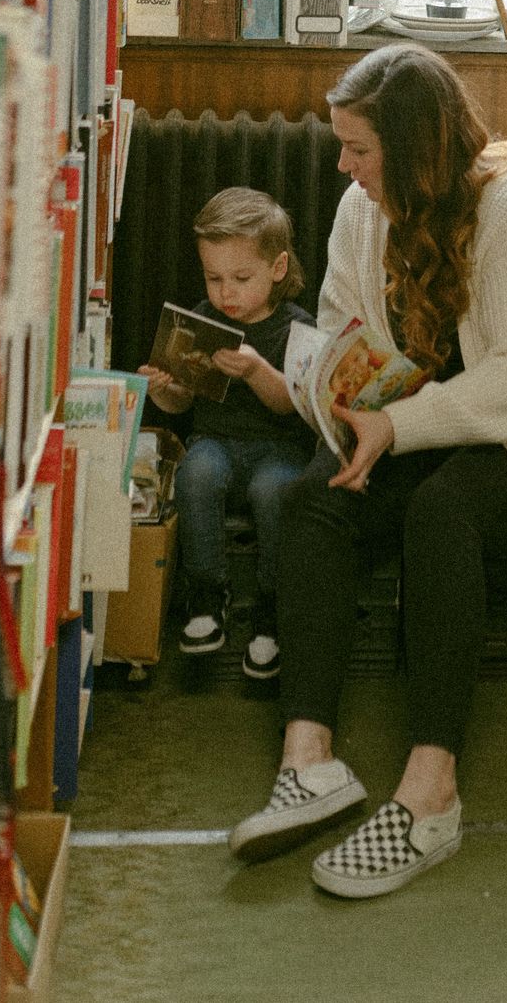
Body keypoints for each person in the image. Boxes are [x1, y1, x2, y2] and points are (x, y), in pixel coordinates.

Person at [229, 42, 507, 898]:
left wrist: (394, 423)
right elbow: (342, 321)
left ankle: (431, 791)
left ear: (416, 148)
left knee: (441, 514)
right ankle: (310, 762)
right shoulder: (359, 210)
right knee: (314, 499)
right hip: (416, 423)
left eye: (359, 149)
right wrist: (338, 402)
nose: (343, 166)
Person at [139, 187, 312, 684]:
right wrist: (164, 390)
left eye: (240, 278)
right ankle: (206, 596)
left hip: (279, 449)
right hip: (215, 444)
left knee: (276, 490)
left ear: (277, 268)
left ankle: (271, 612)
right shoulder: (203, 319)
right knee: (196, 471)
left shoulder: (293, 327)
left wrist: (257, 369)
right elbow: (181, 405)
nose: (225, 293)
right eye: (214, 278)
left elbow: (295, 403)